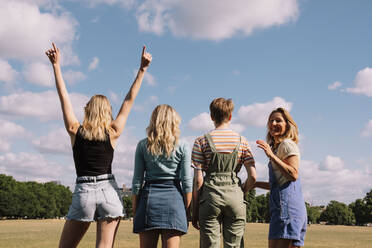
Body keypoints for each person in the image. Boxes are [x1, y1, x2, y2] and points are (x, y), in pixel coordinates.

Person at [45, 43, 152, 248]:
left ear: (87, 109)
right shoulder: (113, 132)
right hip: (108, 192)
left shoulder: (75, 130)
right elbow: (129, 100)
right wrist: (142, 70)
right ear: (107, 111)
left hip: (84, 190)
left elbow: (64, 97)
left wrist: (56, 67)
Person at [192, 97, 257, 248]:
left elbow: (198, 181)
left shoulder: (200, 141)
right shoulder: (243, 141)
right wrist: (242, 191)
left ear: (211, 117)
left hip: (210, 197)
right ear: (230, 116)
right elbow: (253, 176)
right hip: (235, 196)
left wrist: (195, 211)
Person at [132, 104, 193, 248]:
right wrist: (188, 211)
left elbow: (137, 181)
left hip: (148, 201)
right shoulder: (183, 146)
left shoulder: (142, 145)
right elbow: (187, 182)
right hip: (174, 202)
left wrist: (136, 210)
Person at [254, 107, 307, 248]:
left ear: (287, 125)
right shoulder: (279, 148)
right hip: (285, 210)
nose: (273, 123)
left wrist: (271, 156)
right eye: (271, 121)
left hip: (287, 211)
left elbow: (293, 174)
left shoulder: (287, 144)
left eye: (278, 120)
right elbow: (278, 184)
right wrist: (254, 184)